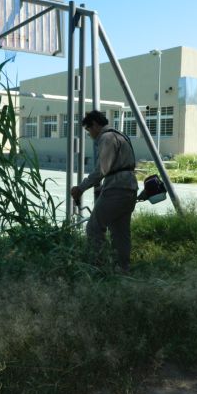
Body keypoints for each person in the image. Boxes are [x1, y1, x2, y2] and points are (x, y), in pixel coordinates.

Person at [71, 110, 138, 273]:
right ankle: (123, 268)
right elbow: (116, 167)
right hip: (129, 188)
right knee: (121, 232)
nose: (90, 135)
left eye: (88, 130)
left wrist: (80, 188)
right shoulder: (120, 135)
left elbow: (101, 169)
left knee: (94, 228)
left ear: (94, 125)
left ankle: (97, 267)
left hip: (116, 189)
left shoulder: (106, 138)